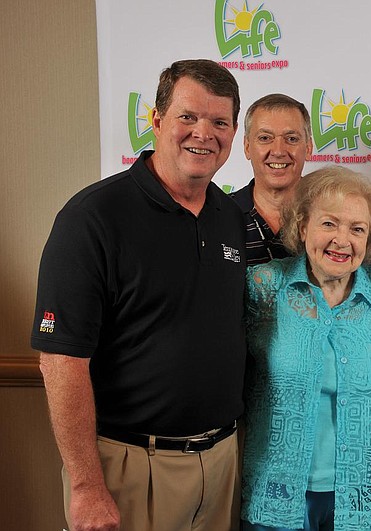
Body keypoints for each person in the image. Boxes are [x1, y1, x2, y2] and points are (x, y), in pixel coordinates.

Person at [32, 59, 245, 530]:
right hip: (128, 466)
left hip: (221, 463)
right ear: (156, 120)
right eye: (187, 117)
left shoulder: (230, 217)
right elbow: (60, 362)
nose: (203, 133)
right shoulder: (93, 219)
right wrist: (87, 487)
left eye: (219, 122)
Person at [241, 166, 371, 531]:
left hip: (358, 498)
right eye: (329, 224)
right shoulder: (264, 286)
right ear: (303, 227)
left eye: (357, 229)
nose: (342, 240)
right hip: (274, 493)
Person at [231, 93, 313, 264]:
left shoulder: (333, 214)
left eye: (291, 139)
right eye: (265, 138)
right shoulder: (221, 213)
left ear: (308, 148)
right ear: (247, 147)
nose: (278, 151)